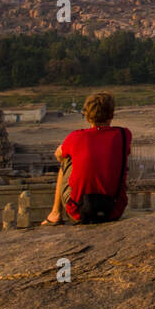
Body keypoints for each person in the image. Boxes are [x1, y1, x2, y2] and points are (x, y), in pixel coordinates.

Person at [42, 91, 132, 225]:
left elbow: (58, 154)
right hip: (113, 210)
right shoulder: (124, 134)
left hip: (79, 211)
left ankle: (55, 213)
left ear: (87, 117)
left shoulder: (75, 137)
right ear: (111, 115)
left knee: (67, 160)